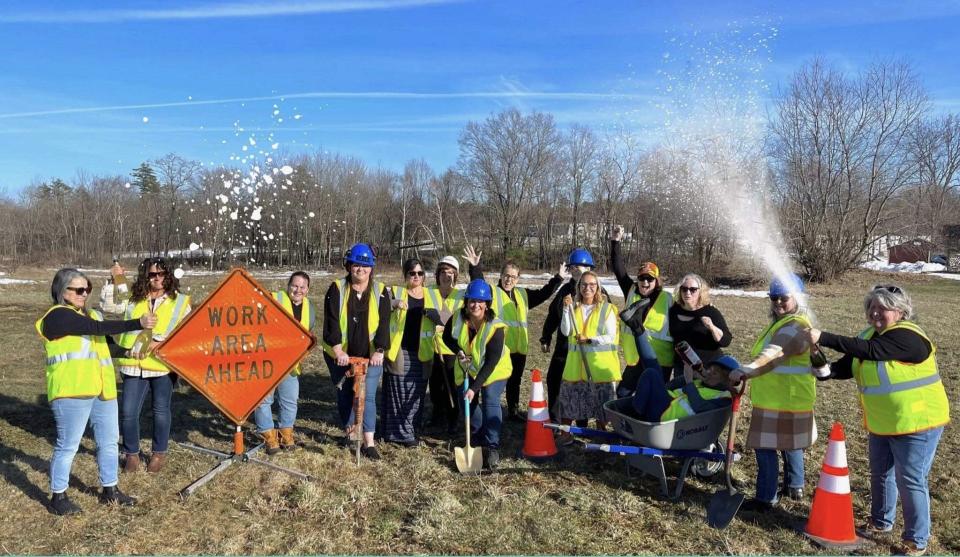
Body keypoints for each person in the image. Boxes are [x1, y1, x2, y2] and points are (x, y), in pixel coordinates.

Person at [809, 285, 949, 556]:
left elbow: (872, 351)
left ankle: (916, 540)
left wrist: (822, 336)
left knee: (910, 479)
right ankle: (881, 522)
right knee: (881, 474)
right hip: (884, 422)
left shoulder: (908, 337)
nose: (874, 312)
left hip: (918, 422)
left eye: (882, 307)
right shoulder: (869, 335)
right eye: (871, 307)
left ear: (900, 311)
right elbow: (851, 362)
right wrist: (826, 371)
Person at [37, 268, 157, 515]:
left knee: (109, 442)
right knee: (68, 445)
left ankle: (110, 489)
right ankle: (58, 496)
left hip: (102, 389)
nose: (84, 294)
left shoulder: (91, 314)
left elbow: (106, 346)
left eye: (87, 289)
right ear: (62, 291)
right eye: (78, 290)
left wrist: (129, 352)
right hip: (71, 392)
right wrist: (137, 323)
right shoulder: (57, 317)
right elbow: (96, 328)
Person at [729, 273, 816, 510]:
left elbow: (774, 353)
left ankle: (766, 497)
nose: (778, 302)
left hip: (778, 398)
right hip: (792, 396)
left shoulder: (794, 325)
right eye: (773, 297)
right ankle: (794, 486)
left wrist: (744, 371)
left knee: (765, 447)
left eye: (783, 297)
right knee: (791, 443)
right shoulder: (792, 321)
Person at [101, 257, 191, 474]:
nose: (157, 278)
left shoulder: (180, 301)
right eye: (152, 274)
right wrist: (115, 279)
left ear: (168, 275)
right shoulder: (133, 297)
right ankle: (131, 454)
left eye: (161, 274)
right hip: (134, 363)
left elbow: (186, 333)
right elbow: (110, 307)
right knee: (128, 412)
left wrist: (161, 342)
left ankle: (158, 453)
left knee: (161, 411)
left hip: (162, 365)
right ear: (146, 276)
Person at [466, 246, 566, 421]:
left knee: (515, 381)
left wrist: (558, 278)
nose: (509, 279)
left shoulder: (522, 294)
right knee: (492, 383)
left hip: (519, 348)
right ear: (501, 275)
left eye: (513, 276)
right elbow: (479, 285)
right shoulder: (492, 293)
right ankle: (488, 411)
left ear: (518, 278)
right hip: (500, 348)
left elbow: (544, 294)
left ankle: (512, 410)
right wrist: (475, 267)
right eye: (506, 275)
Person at [322, 243, 390, 460]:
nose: (360, 269)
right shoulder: (337, 288)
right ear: (349, 265)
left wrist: (379, 350)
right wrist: (337, 350)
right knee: (345, 394)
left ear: (371, 268)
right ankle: (351, 433)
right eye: (356, 265)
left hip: (370, 357)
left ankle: (369, 442)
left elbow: (384, 324)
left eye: (365, 265)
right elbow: (331, 321)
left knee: (366, 397)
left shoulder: (380, 292)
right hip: (340, 354)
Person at [442, 279, 512, 470]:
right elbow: (447, 337)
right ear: (466, 302)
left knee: (489, 398)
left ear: (487, 304)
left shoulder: (495, 327)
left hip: (495, 370)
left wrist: (474, 387)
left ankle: (492, 445)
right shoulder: (458, 317)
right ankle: (477, 436)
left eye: (480, 301)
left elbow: (491, 361)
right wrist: (458, 351)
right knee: (467, 402)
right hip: (468, 368)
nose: (475, 305)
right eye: (472, 300)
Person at [540, 248, 606, 422]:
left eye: (581, 266)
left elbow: (607, 320)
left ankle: (582, 420)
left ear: (589, 268)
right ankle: (556, 419)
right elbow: (553, 315)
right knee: (554, 380)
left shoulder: (600, 292)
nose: (577, 269)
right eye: (573, 267)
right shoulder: (565, 292)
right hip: (564, 347)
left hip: (587, 348)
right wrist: (546, 337)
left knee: (582, 385)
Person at [253, 271, 314, 454]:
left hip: (291, 364)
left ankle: (286, 435)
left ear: (308, 290)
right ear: (288, 285)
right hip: (269, 361)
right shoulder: (275, 298)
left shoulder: (310, 308)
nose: (298, 290)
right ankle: (268, 437)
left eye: (302, 287)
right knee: (264, 400)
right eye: (294, 286)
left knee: (290, 400)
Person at [609, 225, 674, 396]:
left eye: (650, 279)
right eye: (642, 278)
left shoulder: (667, 299)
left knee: (652, 400)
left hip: (659, 361)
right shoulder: (631, 291)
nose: (645, 283)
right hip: (635, 360)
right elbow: (618, 268)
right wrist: (615, 241)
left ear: (656, 281)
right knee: (622, 394)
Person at [557, 271, 620, 443]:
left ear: (598, 287)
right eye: (584, 284)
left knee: (601, 404)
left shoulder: (607, 309)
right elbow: (566, 331)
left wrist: (590, 340)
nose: (588, 288)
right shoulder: (573, 307)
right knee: (569, 400)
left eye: (592, 284)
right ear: (579, 287)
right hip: (575, 366)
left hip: (599, 367)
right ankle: (566, 434)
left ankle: (602, 435)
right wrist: (565, 309)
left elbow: (611, 336)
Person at [423, 252, 482, 435]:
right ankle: (437, 415)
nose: (446, 276)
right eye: (443, 272)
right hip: (432, 347)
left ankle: (453, 417)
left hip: (453, 348)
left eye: (450, 273)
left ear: (455, 276)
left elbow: (479, 289)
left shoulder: (461, 295)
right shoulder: (429, 291)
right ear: (438, 274)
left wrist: (474, 268)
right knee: (435, 386)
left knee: (452, 385)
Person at [382, 258, 432, 446]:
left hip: (423, 352)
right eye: (412, 273)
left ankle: (410, 429)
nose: (416, 276)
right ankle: (399, 435)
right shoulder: (396, 292)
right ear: (405, 275)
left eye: (420, 273)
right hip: (400, 351)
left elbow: (446, 314)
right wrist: (393, 303)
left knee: (416, 394)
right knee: (398, 393)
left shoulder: (431, 295)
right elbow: (378, 308)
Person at [631, 355, 736, 422]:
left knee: (651, 373)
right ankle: (635, 416)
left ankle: (635, 418)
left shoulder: (724, 397)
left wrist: (689, 381)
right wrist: (694, 376)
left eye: (715, 372)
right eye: (709, 369)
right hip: (664, 406)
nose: (708, 372)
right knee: (652, 371)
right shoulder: (700, 382)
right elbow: (668, 386)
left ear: (726, 381)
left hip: (668, 418)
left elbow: (700, 407)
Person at [668, 273, 732, 380]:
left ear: (700, 292)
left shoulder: (710, 312)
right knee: (682, 395)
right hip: (682, 367)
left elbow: (726, 340)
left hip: (708, 368)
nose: (688, 293)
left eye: (693, 290)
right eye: (684, 289)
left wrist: (712, 327)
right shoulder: (674, 310)